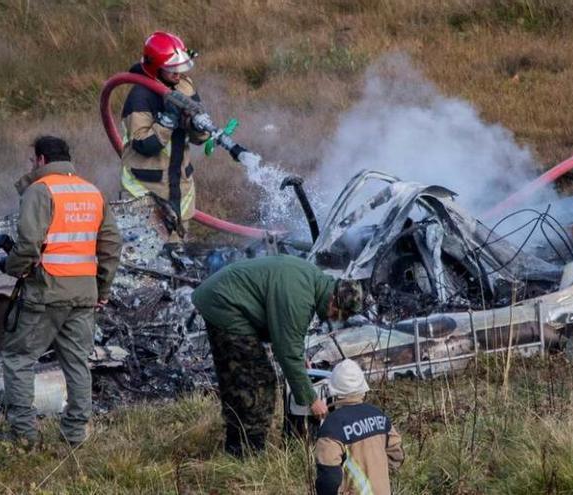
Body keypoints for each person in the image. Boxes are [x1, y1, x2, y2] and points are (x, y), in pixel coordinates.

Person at [0, 136, 122, 447]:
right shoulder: (92, 192)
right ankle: (75, 433)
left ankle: (22, 434)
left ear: (40, 160)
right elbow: (111, 246)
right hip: (83, 294)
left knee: (18, 357)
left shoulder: (40, 190)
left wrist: (11, 267)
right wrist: (101, 289)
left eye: (31, 161)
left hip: (47, 292)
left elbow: (27, 245)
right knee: (77, 362)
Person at [191, 255, 364, 457]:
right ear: (334, 299)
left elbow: (288, 336)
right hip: (226, 305)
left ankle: (235, 445)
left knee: (237, 382)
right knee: (258, 382)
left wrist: (297, 357)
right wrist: (312, 400)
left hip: (221, 298)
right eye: (337, 314)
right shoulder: (300, 297)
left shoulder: (314, 283)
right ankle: (249, 452)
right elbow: (287, 353)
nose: (334, 319)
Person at [120, 31, 212, 240]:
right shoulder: (140, 96)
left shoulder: (184, 86)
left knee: (179, 257)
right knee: (149, 262)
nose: (178, 73)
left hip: (180, 187)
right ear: (156, 67)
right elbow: (144, 144)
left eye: (180, 67)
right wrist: (168, 120)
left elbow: (201, 137)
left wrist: (196, 126)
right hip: (146, 192)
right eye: (172, 68)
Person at [315, 359, 404, 495]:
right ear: (363, 387)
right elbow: (397, 455)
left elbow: (329, 479)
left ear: (333, 390)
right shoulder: (379, 416)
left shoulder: (332, 426)